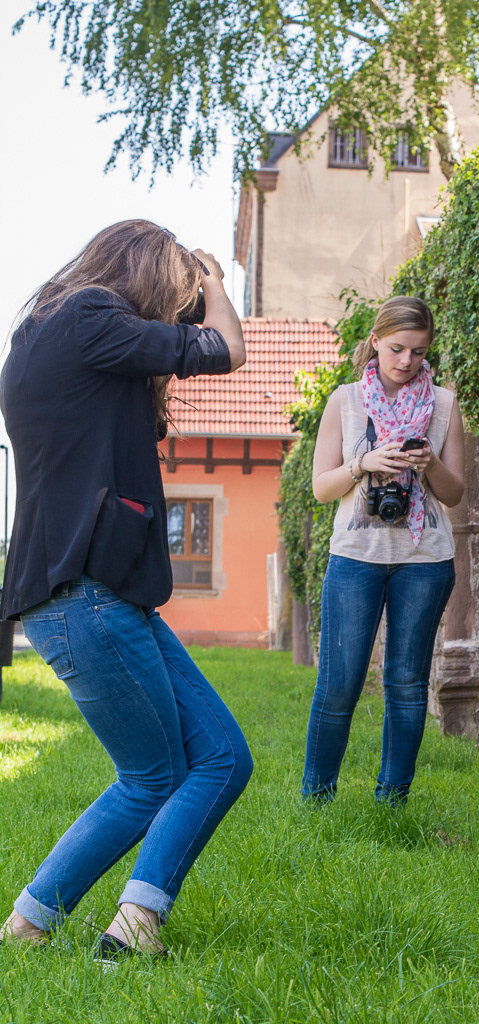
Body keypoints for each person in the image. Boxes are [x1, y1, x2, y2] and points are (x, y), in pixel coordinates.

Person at [0, 220, 253, 963]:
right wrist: (213, 282)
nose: (175, 318)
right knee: (151, 776)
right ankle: (65, 926)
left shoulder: (48, 332)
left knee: (222, 757)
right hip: (86, 596)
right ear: (146, 275)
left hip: (101, 597)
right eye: (173, 298)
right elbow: (227, 349)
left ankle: (79, 924)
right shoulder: (86, 316)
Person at [301, 296, 464, 804]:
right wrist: (364, 462)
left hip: (426, 558)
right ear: (375, 341)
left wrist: (429, 463)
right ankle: (316, 799)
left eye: (418, 352)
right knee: (339, 684)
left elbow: (455, 493)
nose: (406, 362)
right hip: (355, 556)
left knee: (407, 684)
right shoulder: (345, 401)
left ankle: (392, 801)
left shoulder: (444, 404)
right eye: (396, 349)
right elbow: (321, 488)